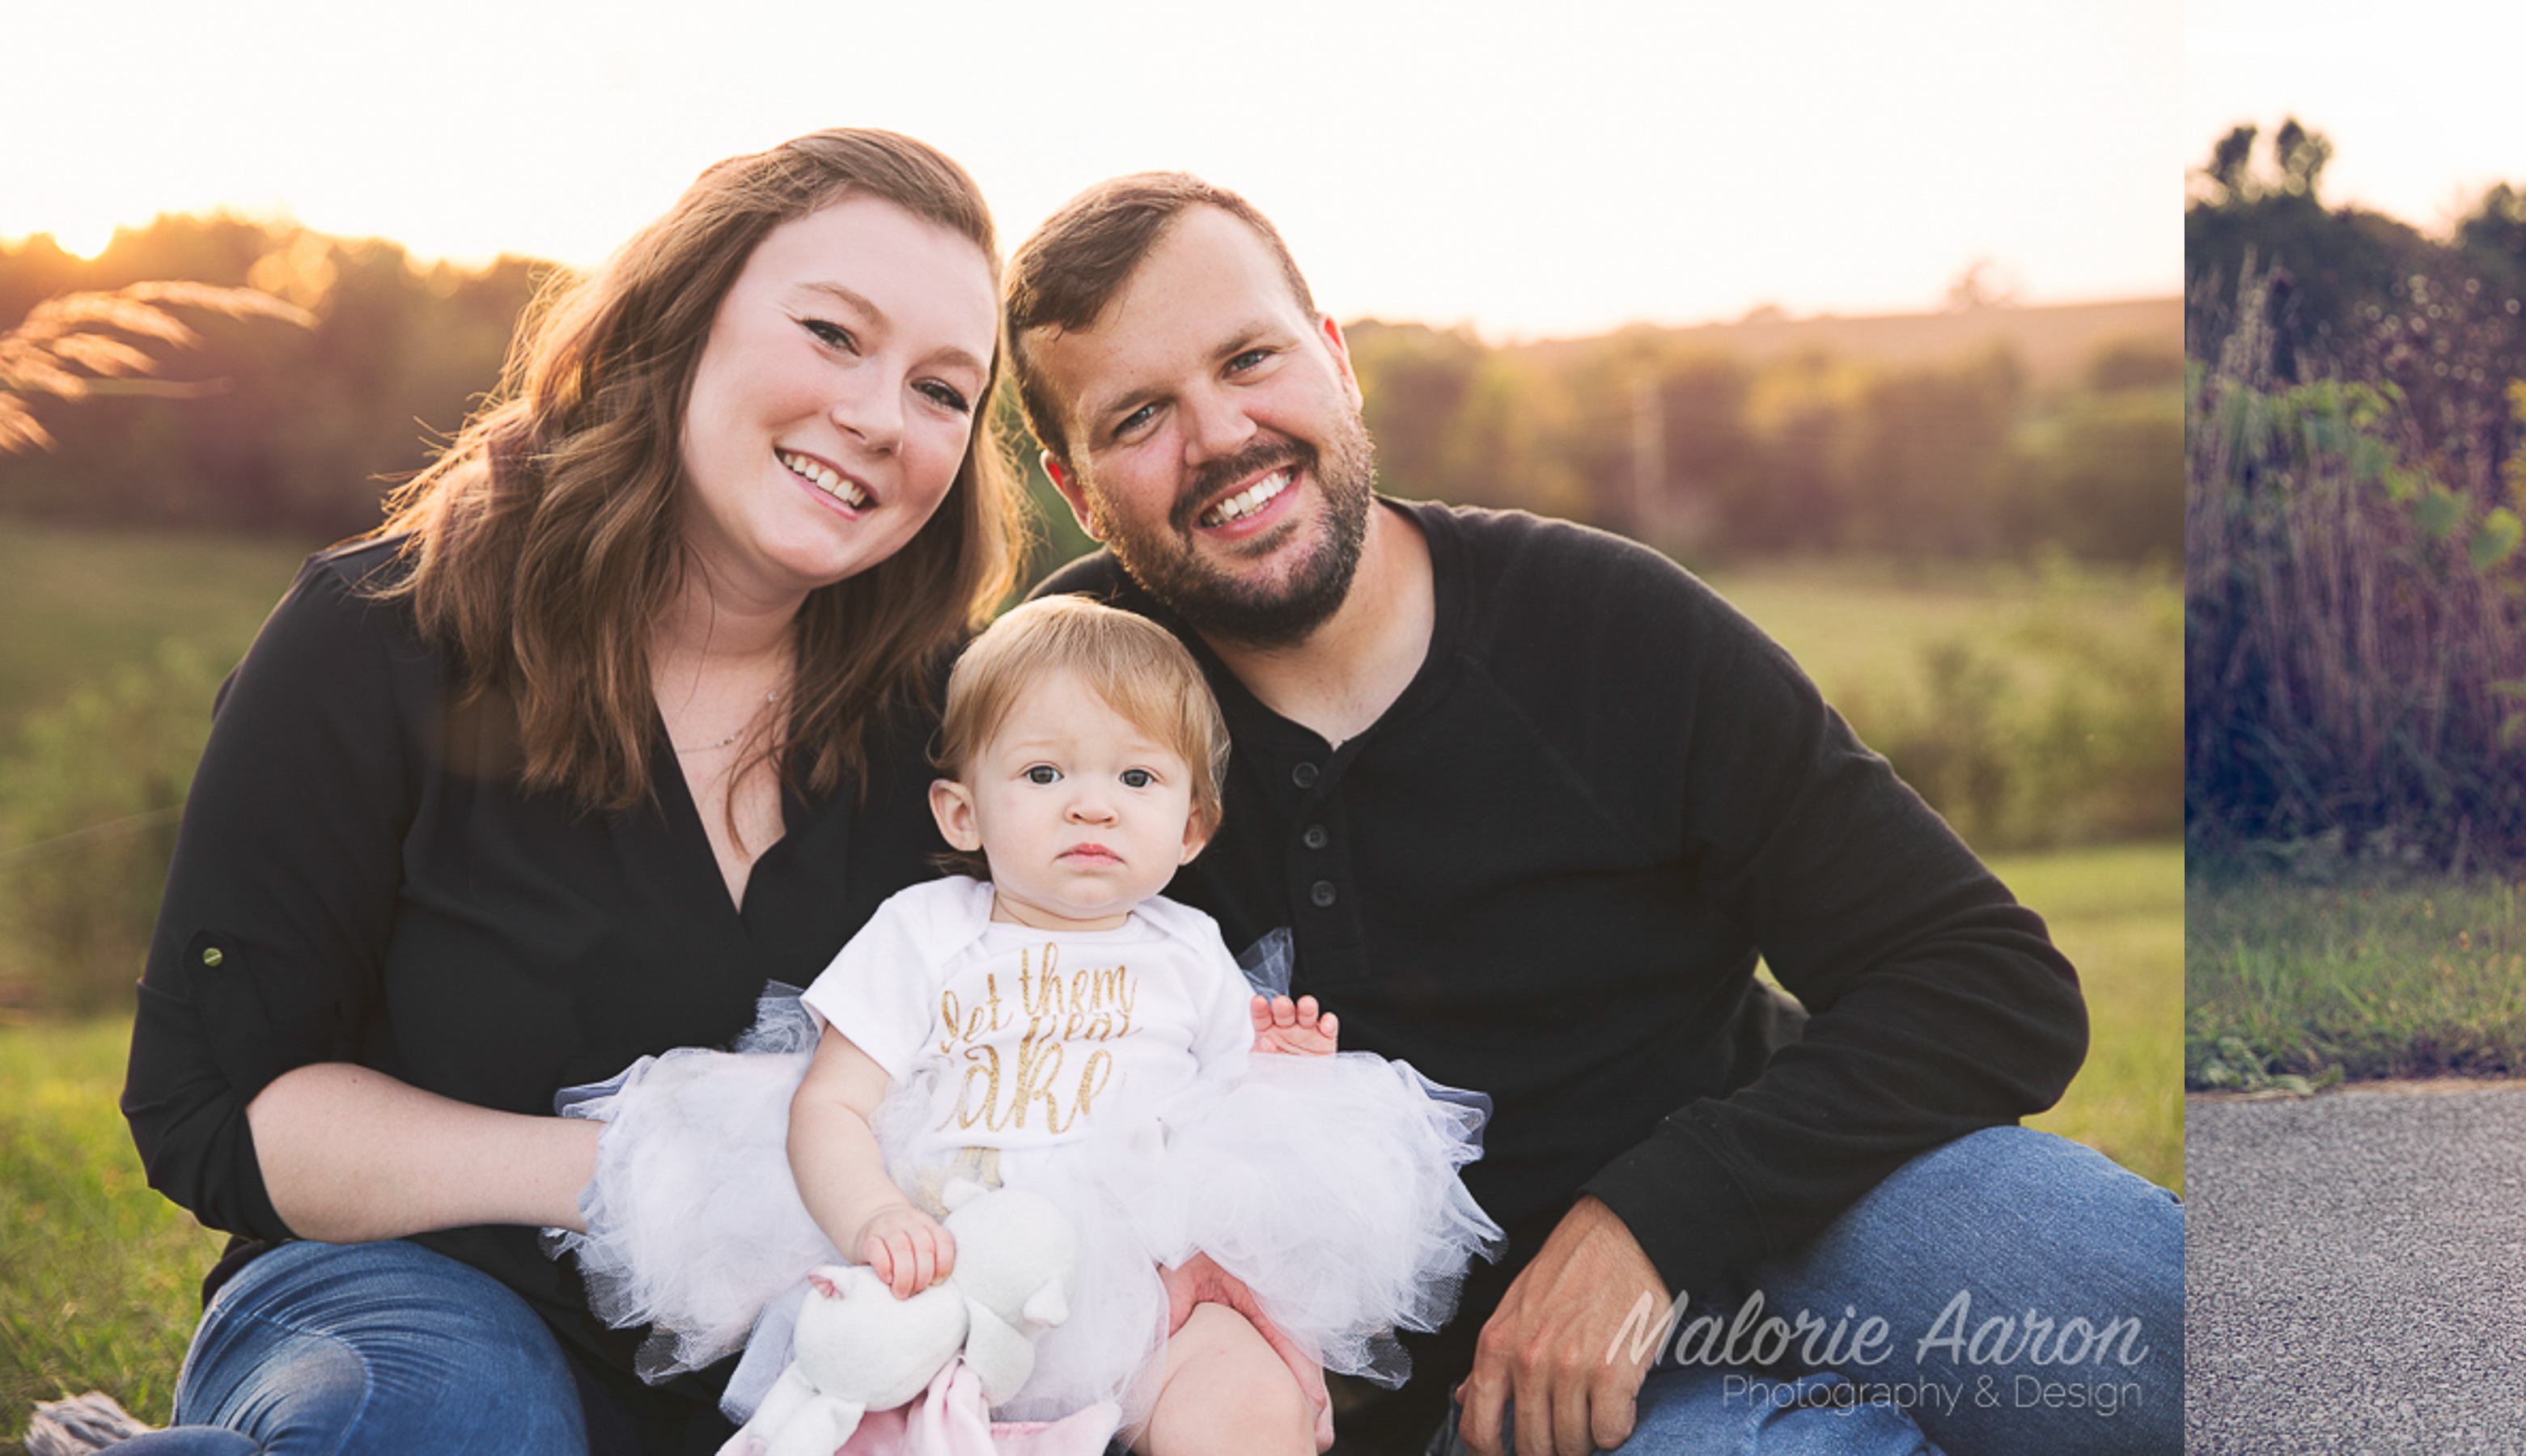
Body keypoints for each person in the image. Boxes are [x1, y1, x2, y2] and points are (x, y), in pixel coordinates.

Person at [999, 173, 2181, 1455]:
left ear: (1336, 363)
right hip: (1495, 1403)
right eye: (1140, 416)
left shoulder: (1607, 624)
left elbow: (1989, 982)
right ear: (1076, 482)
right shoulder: (1052, 716)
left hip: (1790, 1206)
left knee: (2140, 1308)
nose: (1222, 433)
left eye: (1250, 359)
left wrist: (1655, 1221)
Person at [117, 129, 1021, 1455]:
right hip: (429, 1303)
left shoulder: (956, 726)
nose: (883, 417)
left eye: (945, 391)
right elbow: (213, 1111)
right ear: (681, 318)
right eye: (834, 333)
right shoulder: (381, 638)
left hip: (819, 1351)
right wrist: (638, 1174)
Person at [553, 595, 1500, 1454]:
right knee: (859, 1411)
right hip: (948, 1272)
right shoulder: (922, 933)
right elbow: (831, 1105)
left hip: (1154, 1290)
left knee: (1247, 1407)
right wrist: (873, 1215)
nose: (1092, 802)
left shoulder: (1190, 949)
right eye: (1045, 772)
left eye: (1136, 777)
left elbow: (1235, 1128)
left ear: (1192, 831)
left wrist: (1290, 1077)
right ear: (963, 812)